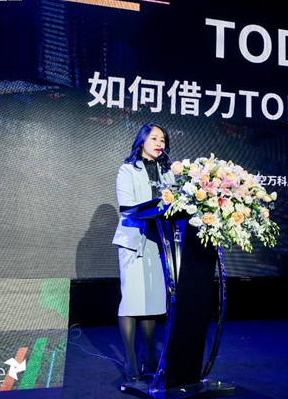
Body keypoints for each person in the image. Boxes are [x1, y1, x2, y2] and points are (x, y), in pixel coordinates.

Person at [112, 122, 175, 382]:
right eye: (154, 138)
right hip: (134, 240)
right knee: (132, 300)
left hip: (157, 242)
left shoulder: (167, 174)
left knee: (152, 300)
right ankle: (130, 358)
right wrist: (157, 206)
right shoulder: (127, 169)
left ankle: (150, 356)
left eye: (163, 140)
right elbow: (127, 205)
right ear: (142, 141)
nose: (160, 143)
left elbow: (176, 202)